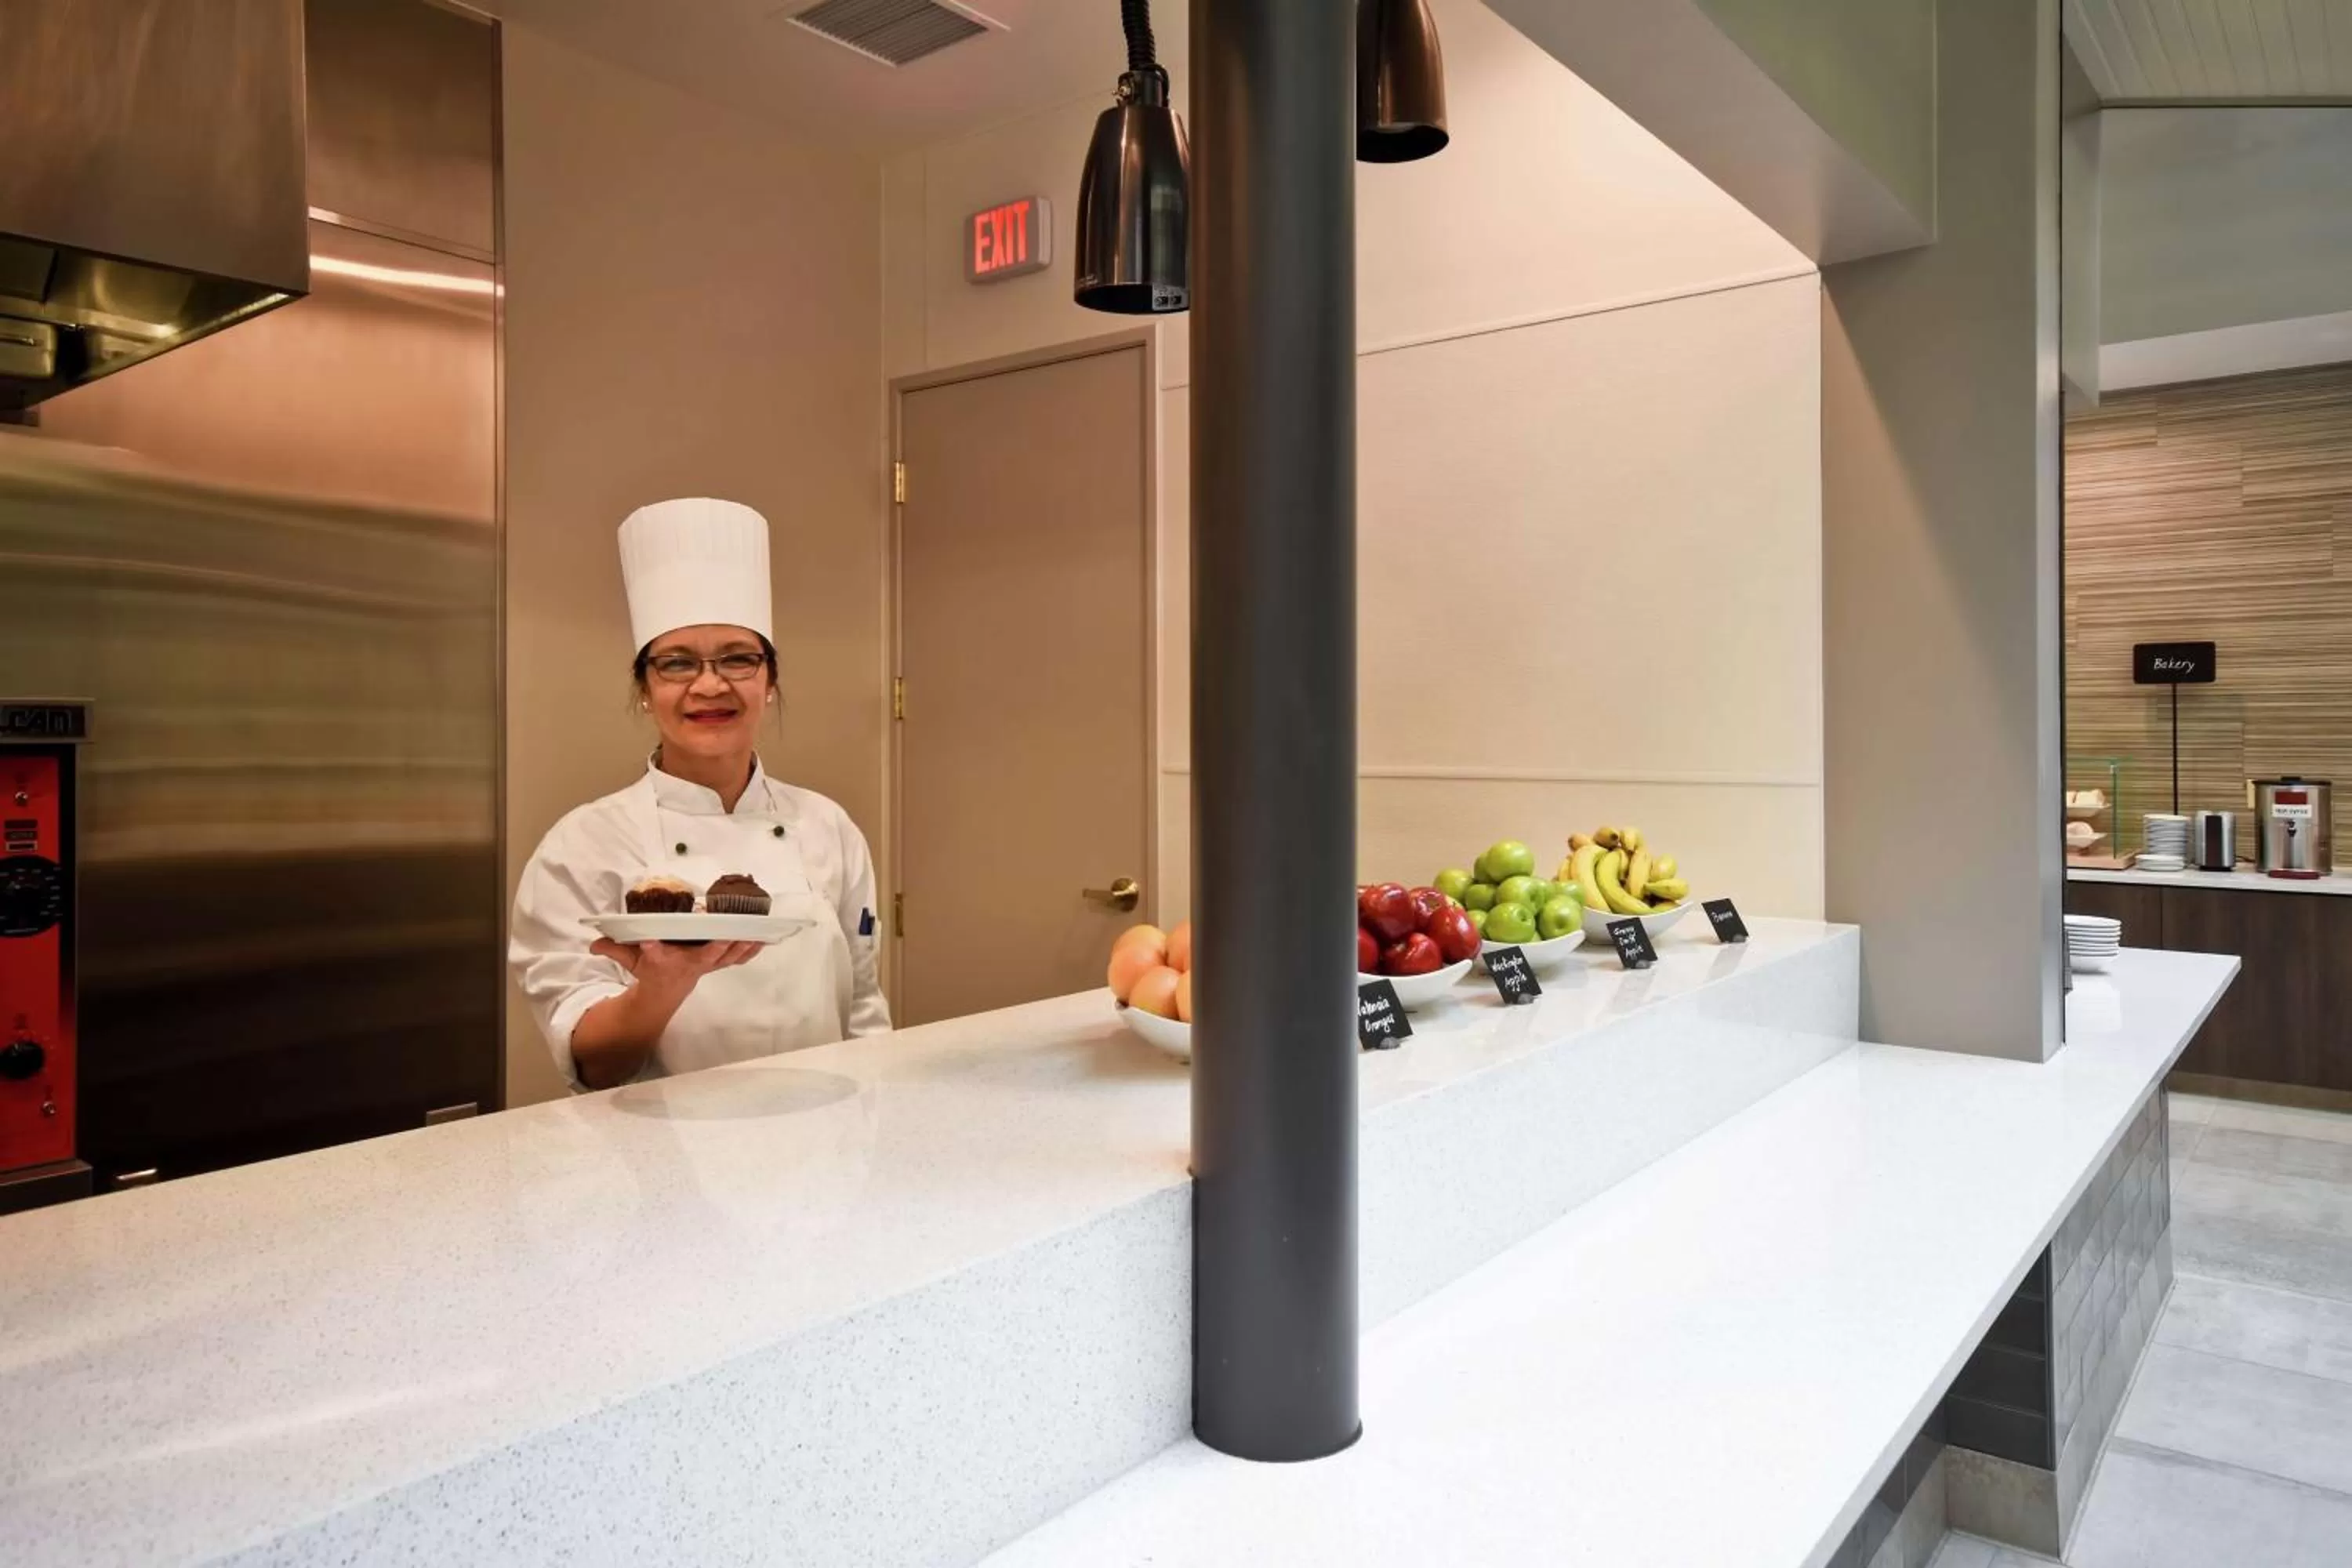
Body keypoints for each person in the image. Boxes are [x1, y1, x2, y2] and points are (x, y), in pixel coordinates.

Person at [510, 497, 890, 1090]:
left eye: (738, 659)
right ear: (644, 688)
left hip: (824, 1142)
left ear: (770, 682)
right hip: (660, 1161)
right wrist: (664, 985)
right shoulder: (583, 844)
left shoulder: (827, 825)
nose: (710, 685)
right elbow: (592, 1064)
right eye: (677, 663)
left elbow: (864, 1011)